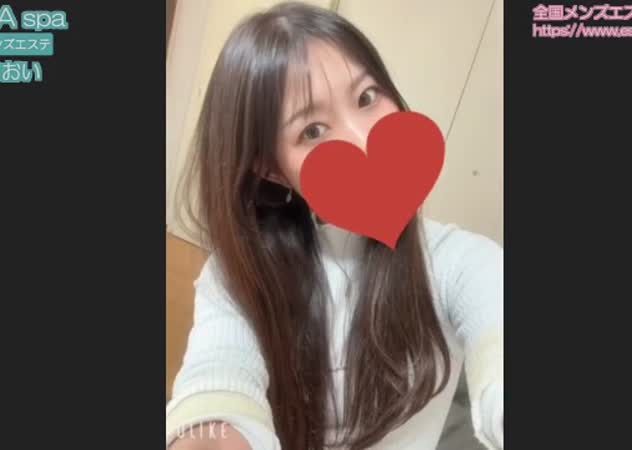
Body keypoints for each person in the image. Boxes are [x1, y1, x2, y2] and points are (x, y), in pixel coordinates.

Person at [167, 2, 503, 449]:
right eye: (312, 130)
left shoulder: (456, 261)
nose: (365, 141)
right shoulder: (235, 280)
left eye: (366, 98)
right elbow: (215, 387)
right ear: (271, 169)